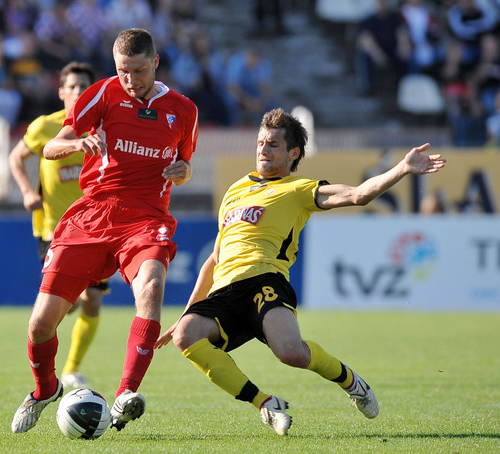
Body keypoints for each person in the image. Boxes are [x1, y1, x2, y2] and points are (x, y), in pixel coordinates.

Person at [156, 108, 446, 436]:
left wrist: (402, 168)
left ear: (293, 153)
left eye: (273, 145)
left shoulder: (299, 190)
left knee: (291, 353)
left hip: (265, 280)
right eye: (261, 142)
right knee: (186, 335)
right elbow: (214, 258)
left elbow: (357, 195)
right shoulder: (235, 191)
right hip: (226, 288)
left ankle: (351, 382)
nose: (263, 149)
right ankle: (266, 404)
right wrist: (187, 312)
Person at [11, 28, 199, 434]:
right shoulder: (101, 93)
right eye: (122, 71)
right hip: (92, 215)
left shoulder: (184, 110)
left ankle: (126, 392)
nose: (129, 80)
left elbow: (183, 166)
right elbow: (50, 148)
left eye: (137, 70)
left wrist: (184, 172)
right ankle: (45, 390)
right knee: (41, 325)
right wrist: (80, 144)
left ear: (155, 63)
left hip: (147, 217)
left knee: (150, 287)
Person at [9, 61, 109, 392]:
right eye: (74, 86)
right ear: (62, 91)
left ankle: (72, 369)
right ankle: (47, 374)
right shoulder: (45, 127)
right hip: (53, 230)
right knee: (62, 307)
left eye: (86, 87)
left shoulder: (102, 127)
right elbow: (16, 157)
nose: (80, 92)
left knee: (92, 299)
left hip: (94, 229)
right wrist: (26, 191)